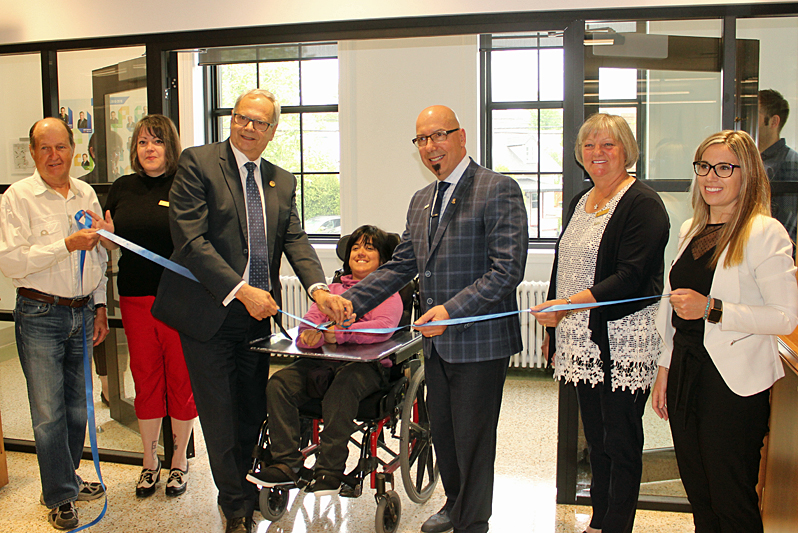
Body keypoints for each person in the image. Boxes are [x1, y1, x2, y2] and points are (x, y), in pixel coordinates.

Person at [150, 89, 350, 533]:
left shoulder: (281, 179)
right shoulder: (199, 164)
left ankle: (243, 485)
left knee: (249, 409)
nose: (248, 127)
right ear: (232, 119)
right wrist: (241, 290)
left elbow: (294, 239)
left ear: (273, 130)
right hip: (209, 312)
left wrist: (318, 288)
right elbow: (191, 239)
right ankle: (236, 506)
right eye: (241, 117)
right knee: (219, 415)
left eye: (260, 122)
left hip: (256, 317)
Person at [336, 105, 528, 533]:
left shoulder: (497, 189)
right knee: (443, 432)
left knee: (474, 439)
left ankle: (473, 522)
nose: (430, 147)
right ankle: (455, 504)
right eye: (421, 139)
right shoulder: (422, 199)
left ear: (461, 137)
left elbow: (506, 270)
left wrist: (451, 312)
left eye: (438, 135)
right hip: (434, 342)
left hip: (479, 339)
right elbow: (400, 266)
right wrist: (352, 303)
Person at [652, 130, 798, 533]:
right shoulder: (691, 230)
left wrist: (713, 309)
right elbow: (674, 307)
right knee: (700, 498)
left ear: (746, 174)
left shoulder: (764, 232)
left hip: (732, 385)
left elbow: (785, 316)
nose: (710, 177)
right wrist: (664, 369)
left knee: (731, 501)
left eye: (724, 168)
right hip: (685, 372)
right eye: (703, 167)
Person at [531, 113, 669, 533]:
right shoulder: (580, 200)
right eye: (589, 145)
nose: (597, 153)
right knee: (596, 437)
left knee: (621, 440)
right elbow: (563, 268)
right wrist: (554, 328)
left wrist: (567, 305)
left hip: (621, 337)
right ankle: (599, 519)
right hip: (579, 337)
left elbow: (629, 277)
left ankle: (617, 525)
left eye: (608, 145)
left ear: (626, 150)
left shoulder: (643, 204)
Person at [0, 117, 109, 530]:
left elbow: (97, 257)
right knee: (48, 412)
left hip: (83, 312)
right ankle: (60, 495)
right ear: (32, 153)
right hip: (40, 313)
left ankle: (70, 476)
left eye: (60, 147)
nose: (53, 156)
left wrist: (99, 307)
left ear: (72, 149)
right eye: (44, 148)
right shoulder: (17, 198)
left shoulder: (85, 193)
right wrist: (64, 244)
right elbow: (11, 260)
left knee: (79, 406)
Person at [248, 225, 403, 495]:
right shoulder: (330, 291)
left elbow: (382, 328)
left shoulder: (388, 293)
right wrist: (311, 337)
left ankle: (329, 470)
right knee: (279, 383)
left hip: (367, 369)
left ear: (382, 259)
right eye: (356, 247)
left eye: (369, 248)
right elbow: (308, 324)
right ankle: (286, 463)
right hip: (322, 364)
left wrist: (337, 335)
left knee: (341, 389)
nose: (360, 252)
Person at [93, 115, 198, 498]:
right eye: (142, 142)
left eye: (156, 141)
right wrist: (104, 238)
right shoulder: (122, 188)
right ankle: (149, 461)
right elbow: (113, 243)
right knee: (145, 376)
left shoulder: (187, 185)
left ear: (170, 146)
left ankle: (180, 461)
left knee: (180, 379)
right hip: (135, 298)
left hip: (179, 299)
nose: (149, 148)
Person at [757, 89, 798, 244]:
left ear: (774, 122)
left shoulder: (791, 163)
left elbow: (788, 228)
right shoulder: (745, 160)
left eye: (755, 115)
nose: (747, 120)